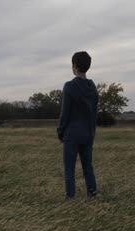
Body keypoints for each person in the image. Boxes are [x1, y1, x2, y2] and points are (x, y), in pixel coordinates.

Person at [57, 51, 98, 200]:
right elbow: (94, 114)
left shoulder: (69, 86)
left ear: (74, 66)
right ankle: (92, 194)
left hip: (71, 135)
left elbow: (65, 113)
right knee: (88, 167)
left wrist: (60, 131)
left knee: (69, 168)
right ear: (87, 66)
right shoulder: (93, 87)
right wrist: (92, 133)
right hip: (88, 134)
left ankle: (70, 197)